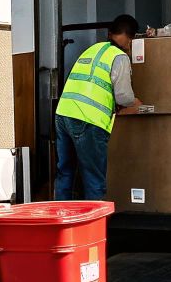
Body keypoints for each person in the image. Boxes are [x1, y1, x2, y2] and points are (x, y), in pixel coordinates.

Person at [52, 14, 144, 200]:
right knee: (93, 179)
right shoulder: (119, 57)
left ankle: (62, 222)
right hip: (88, 120)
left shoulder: (92, 49)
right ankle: (94, 227)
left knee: (65, 173)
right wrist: (136, 103)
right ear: (130, 38)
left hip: (63, 115)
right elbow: (124, 96)